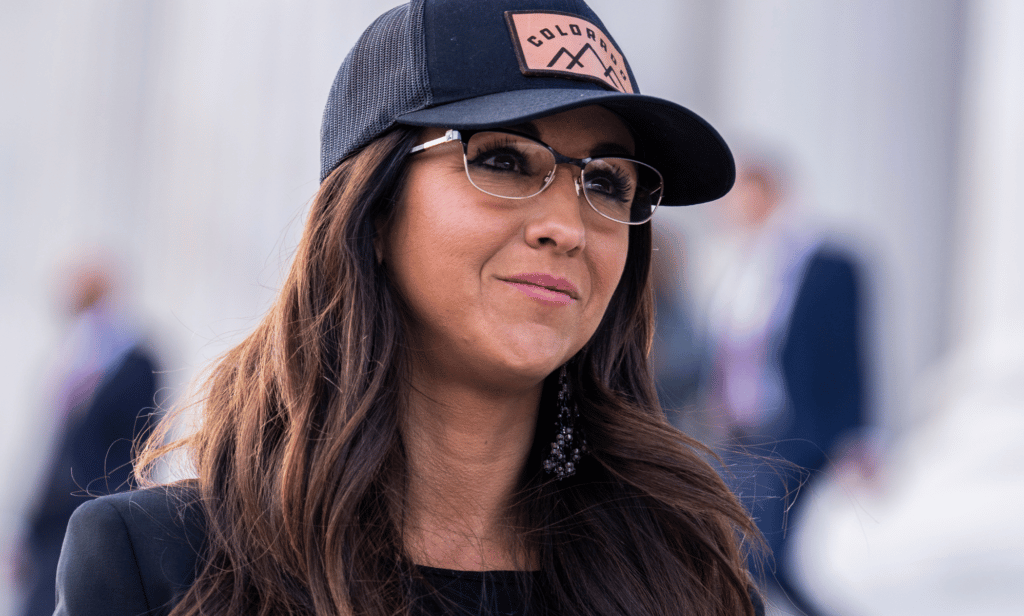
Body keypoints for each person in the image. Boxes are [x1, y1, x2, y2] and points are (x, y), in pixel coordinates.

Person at [54, 1, 764, 615]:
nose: (569, 227)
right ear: (373, 209)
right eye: (504, 159)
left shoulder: (688, 575)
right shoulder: (156, 565)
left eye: (608, 180)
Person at [702, 149, 868, 615]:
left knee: (757, 551)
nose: (729, 208)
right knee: (760, 556)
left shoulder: (825, 263)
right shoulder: (733, 268)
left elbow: (851, 354)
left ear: (767, 193)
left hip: (793, 433)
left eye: (739, 196)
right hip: (738, 437)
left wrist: (860, 437)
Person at [17, 255, 159, 616]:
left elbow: (142, 451)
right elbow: (53, 454)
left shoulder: (135, 363)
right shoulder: (71, 361)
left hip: (96, 528)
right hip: (56, 528)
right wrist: (28, 531)